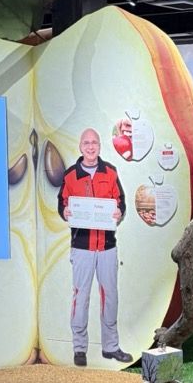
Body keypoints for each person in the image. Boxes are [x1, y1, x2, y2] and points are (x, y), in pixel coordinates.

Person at [58, 128, 132, 366]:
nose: (91, 147)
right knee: (80, 297)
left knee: (110, 296)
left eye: (95, 143)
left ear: (99, 146)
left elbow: (121, 201)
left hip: (107, 246)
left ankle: (111, 347)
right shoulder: (70, 175)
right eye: (86, 143)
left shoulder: (110, 171)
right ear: (81, 146)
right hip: (82, 247)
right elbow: (62, 203)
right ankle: (79, 348)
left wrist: (119, 212)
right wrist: (65, 211)